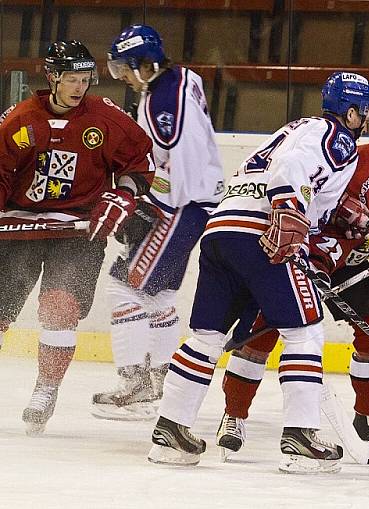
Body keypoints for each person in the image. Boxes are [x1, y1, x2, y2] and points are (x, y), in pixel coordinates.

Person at [147, 71, 369, 473]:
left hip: (222, 231)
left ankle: (171, 430)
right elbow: (290, 169)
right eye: (367, 113)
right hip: (262, 233)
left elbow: (291, 175)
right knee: (304, 330)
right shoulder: (337, 136)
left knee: (206, 336)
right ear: (351, 110)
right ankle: (301, 437)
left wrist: (328, 214)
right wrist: (290, 213)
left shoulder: (295, 127)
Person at [215, 129, 369, 457]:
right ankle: (233, 414)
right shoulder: (358, 172)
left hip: (349, 258)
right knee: (263, 332)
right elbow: (308, 213)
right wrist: (315, 268)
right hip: (305, 252)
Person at [0, 40, 154, 435]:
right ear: (52, 77)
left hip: (80, 230)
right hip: (21, 227)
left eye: (85, 79)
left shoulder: (104, 117)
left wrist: (123, 194)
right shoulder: (20, 119)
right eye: (71, 78)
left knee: (60, 307)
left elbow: (140, 161)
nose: (79, 87)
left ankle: (46, 388)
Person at [89, 25, 225, 421]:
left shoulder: (163, 103)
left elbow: (178, 167)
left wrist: (147, 206)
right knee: (158, 295)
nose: (124, 78)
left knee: (123, 287)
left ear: (143, 64)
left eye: (124, 70)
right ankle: (161, 382)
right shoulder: (183, 77)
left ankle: (135, 386)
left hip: (179, 205)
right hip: (196, 204)